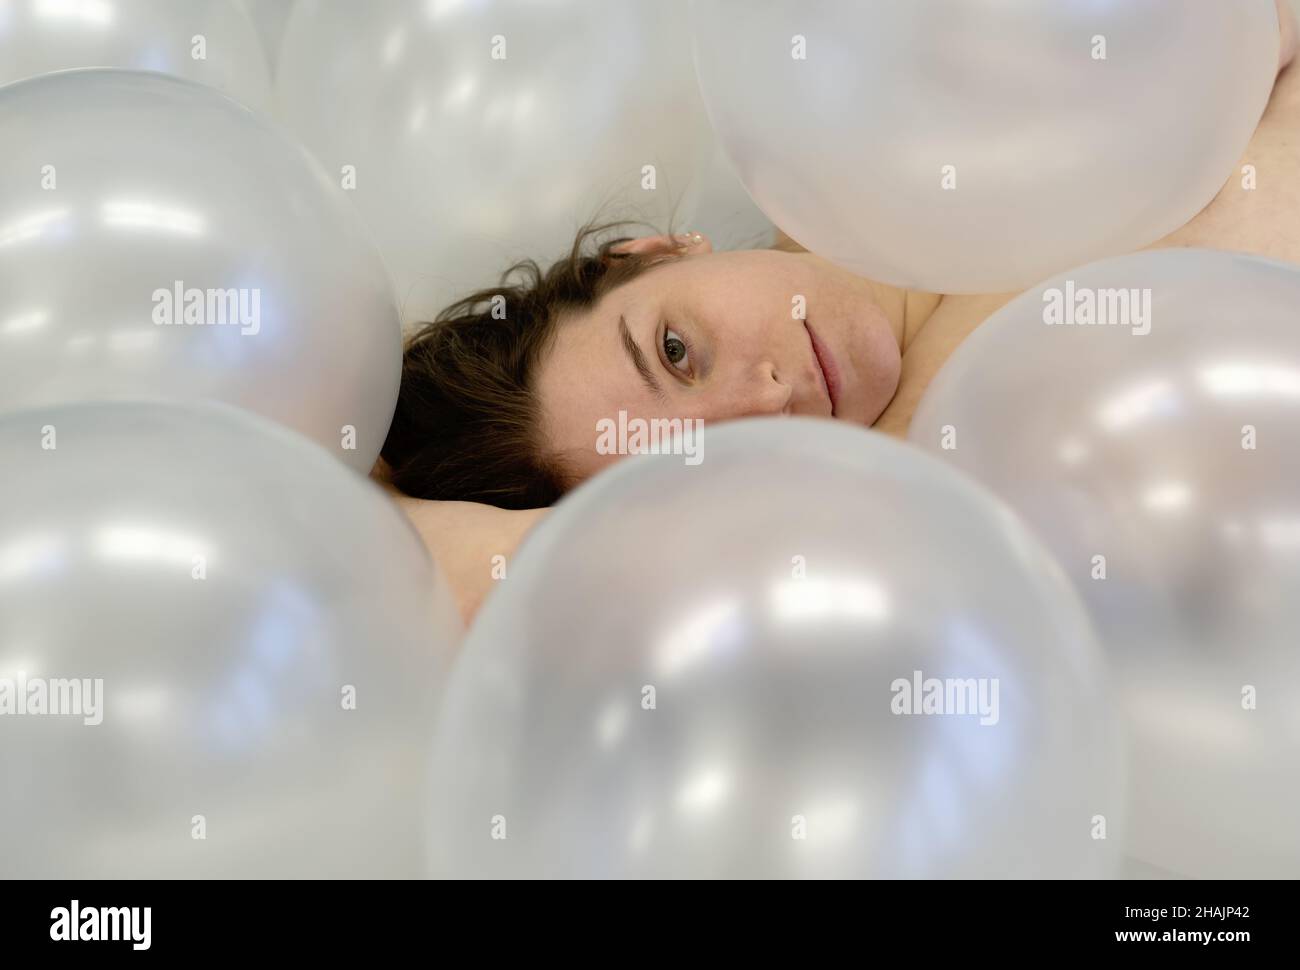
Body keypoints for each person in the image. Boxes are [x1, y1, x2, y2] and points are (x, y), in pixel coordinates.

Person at [379, 2, 1298, 622]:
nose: (766, 399)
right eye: (711, 461)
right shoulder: (941, 480)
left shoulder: (860, 73)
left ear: (651, 251)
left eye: (676, 350)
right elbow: (430, 570)